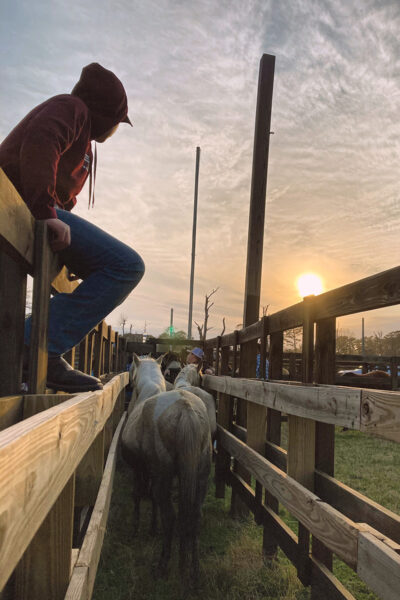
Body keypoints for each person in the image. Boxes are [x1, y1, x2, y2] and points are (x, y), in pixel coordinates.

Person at [0, 63, 145, 392]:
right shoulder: (72, 108)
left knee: (111, 266)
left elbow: (62, 192)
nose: (115, 131)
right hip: (20, 202)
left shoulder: (85, 143)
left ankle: (35, 344)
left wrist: (71, 253)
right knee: (127, 265)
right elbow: (41, 141)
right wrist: (44, 210)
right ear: (106, 114)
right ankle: (33, 345)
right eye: (118, 123)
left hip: (33, 206)